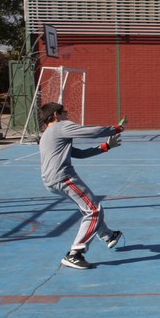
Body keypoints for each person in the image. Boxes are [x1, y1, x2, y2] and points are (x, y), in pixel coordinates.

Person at [38, 102, 126, 269]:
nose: (67, 115)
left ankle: (108, 235)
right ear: (56, 115)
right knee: (93, 210)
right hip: (63, 177)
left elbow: (78, 153)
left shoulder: (48, 134)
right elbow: (92, 132)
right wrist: (115, 128)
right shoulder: (60, 127)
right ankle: (74, 253)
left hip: (51, 180)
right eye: (64, 112)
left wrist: (105, 146)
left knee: (87, 206)